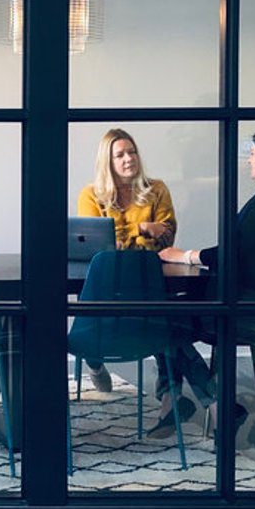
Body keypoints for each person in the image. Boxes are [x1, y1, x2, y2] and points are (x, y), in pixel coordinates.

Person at [153, 126, 255, 435]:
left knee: (163, 319)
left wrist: (183, 255)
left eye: (253, 154)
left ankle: (209, 402)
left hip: (252, 311)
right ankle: (188, 402)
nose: (249, 160)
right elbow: (242, 253)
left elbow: (231, 255)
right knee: (167, 314)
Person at [75, 128, 177, 392]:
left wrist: (125, 238)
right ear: (107, 162)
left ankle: (167, 386)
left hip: (145, 276)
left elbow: (167, 236)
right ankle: (94, 360)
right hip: (106, 277)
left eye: (132, 152)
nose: (129, 158)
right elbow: (99, 246)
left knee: (165, 318)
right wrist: (143, 229)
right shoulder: (91, 195)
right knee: (96, 304)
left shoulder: (157, 189)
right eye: (120, 155)